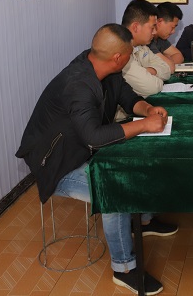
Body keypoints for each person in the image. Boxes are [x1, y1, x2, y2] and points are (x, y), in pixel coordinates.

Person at [15, 24, 178, 295]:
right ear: (118, 58)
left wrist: (148, 109)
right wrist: (143, 125)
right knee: (113, 189)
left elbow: (128, 98)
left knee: (135, 160)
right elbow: (94, 137)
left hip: (82, 151)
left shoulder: (104, 67)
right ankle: (124, 269)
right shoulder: (78, 84)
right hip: (57, 165)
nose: (132, 58)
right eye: (129, 54)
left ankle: (144, 220)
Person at [121, 0, 172, 97]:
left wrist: (149, 71)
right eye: (152, 27)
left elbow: (167, 69)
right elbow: (152, 87)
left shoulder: (142, 47)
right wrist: (157, 78)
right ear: (135, 27)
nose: (154, 32)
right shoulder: (122, 52)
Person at [149, 2, 184, 72]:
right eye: (172, 27)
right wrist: (168, 60)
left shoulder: (161, 39)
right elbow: (169, 66)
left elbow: (179, 56)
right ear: (159, 22)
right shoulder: (147, 40)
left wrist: (168, 61)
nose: (173, 31)